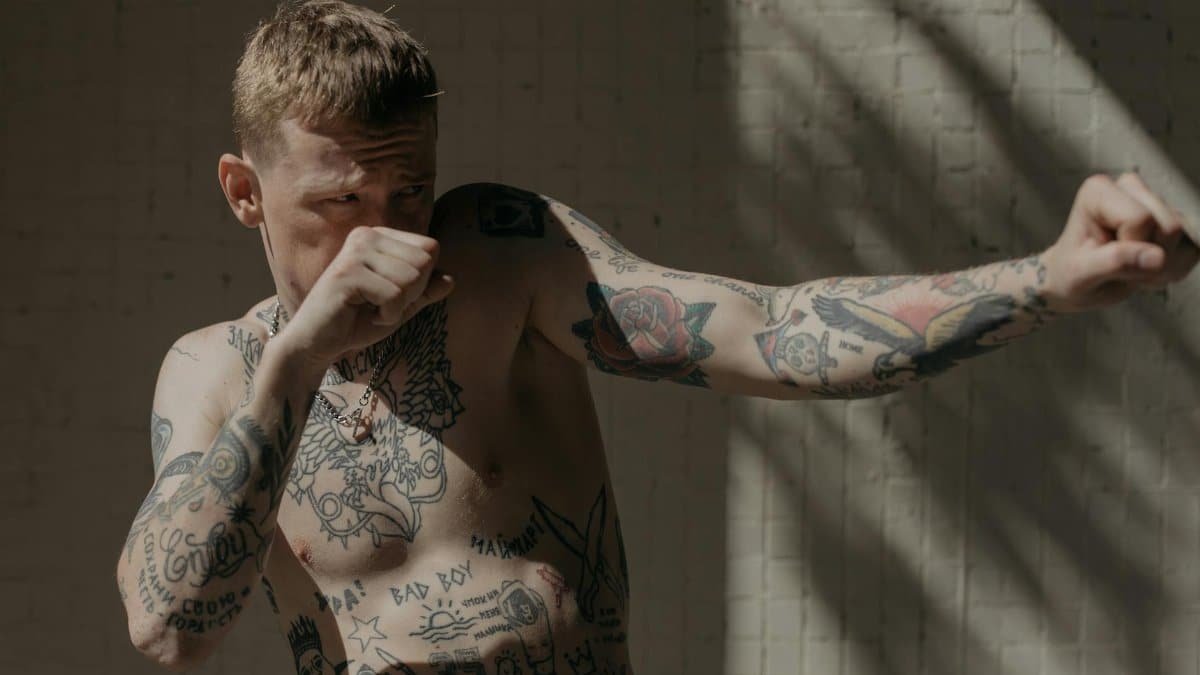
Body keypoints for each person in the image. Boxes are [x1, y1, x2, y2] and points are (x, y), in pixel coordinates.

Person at [114, 1, 1199, 674]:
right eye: (343, 202)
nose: (390, 235)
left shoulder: (504, 260)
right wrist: (300, 358)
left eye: (414, 191)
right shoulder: (216, 373)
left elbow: (773, 335)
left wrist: (1046, 280)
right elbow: (170, 630)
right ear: (246, 195)